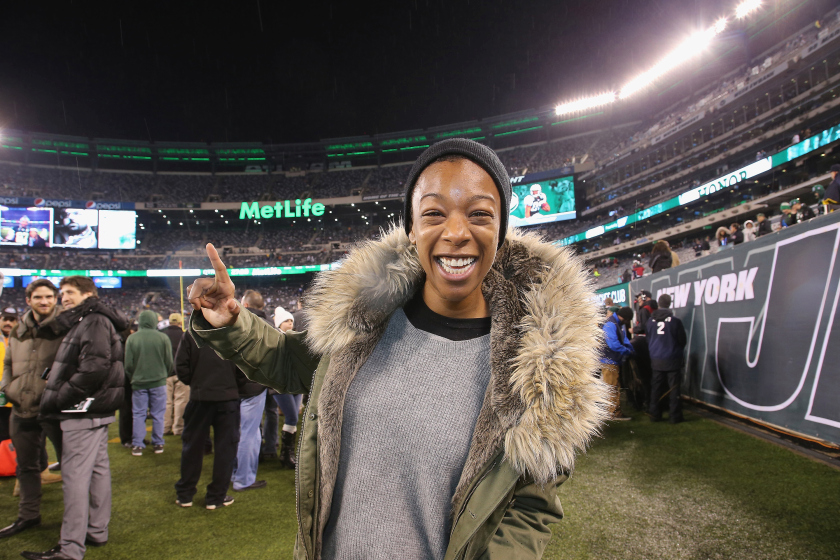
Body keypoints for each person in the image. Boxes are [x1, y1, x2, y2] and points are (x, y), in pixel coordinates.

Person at [187, 139, 609, 559]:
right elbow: (286, 361)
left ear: (501, 229)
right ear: (412, 228)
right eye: (434, 213)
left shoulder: (539, 367)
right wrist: (232, 323)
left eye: (479, 213)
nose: (457, 233)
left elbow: (533, 507)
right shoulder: (363, 320)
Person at [23, 276, 127, 560]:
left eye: (69, 292)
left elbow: (94, 369)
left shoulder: (92, 320)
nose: (63, 297)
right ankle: (96, 530)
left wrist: (58, 396)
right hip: (95, 409)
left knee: (75, 477)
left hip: (82, 410)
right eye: (63, 293)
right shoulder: (90, 318)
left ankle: (70, 548)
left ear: (88, 294)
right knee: (96, 472)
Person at [0, 282, 65, 539]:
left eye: (49, 296)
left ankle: (73, 520)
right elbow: (7, 362)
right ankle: (28, 516)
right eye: (38, 296)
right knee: (26, 467)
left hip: (53, 409)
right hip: (21, 407)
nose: (44, 301)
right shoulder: (18, 329)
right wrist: (9, 387)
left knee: (70, 468)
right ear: (28, 300)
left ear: (55, 299)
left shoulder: (64, 326)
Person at [174, 330, 240, 509]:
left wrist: (197, 383)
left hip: (201, 398)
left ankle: (185, 494)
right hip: (226, 399)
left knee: (192, 447)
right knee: (225, 449)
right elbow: (244, 368)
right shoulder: (231, 333)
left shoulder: (192, 333)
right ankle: (216, 496)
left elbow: (181, 366)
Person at [231, 290, 270, 492]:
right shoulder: (268, 325)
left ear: (245, 305)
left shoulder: (235, 322)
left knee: (243, 432)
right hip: (254, 387)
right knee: (248, 433)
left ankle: (237, 474)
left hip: (235, 386)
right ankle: (243, 478)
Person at [124, 310, 172, 456]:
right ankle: (158, 443)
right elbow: (169, 362)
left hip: (139, 382)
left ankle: (137, 445)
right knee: (158, 414)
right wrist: (163, 375)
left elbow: (128, 365)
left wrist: (134, 377)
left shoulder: (132, 339)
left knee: (138, 414)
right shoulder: (162, 337)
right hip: (158, 382)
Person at [261, 307, 302, 468]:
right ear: (279, 323)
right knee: (291, 416)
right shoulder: (273, 338)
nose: (290, 323)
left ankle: (287, 453)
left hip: (296, 383)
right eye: (286, 320)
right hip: (281, 384)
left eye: (291, 320)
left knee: (293, 418)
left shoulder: (296, 338)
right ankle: (286, 455)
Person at [645, 294, 687, 424]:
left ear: (658, 304)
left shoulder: (650, 321)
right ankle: (674, 416)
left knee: (656, 388)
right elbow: (682, 340)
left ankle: (654, 415)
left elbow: (648, 339)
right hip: (672, 359)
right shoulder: (675, 321)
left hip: (656, 359)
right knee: (674, 389)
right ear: (669, 304)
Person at [600, 307, 634, 421]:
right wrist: (627, 351)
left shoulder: (616, 323)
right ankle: (613, 413)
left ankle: (612, 411)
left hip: (612, 360)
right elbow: (613, 344)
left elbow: (624, 339)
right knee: (612, 387)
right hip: (609, 361)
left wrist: (630, 347)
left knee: (614, 386)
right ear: (624, 318)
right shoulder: (610, 324)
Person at [162, 313, 189, 436]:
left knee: (166, 402)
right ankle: (178, 428)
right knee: (180, 401)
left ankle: (165, 427)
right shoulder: (185, 335)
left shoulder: (162, 335)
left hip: (165, 373)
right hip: (181, 373)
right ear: (180, 322)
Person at [0, 306, 19, 442]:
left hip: (14, 398)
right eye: (5, 319)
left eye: (12, 320)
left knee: (11, 436)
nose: (9, 323)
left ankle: (7, 463)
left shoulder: (21, 340)